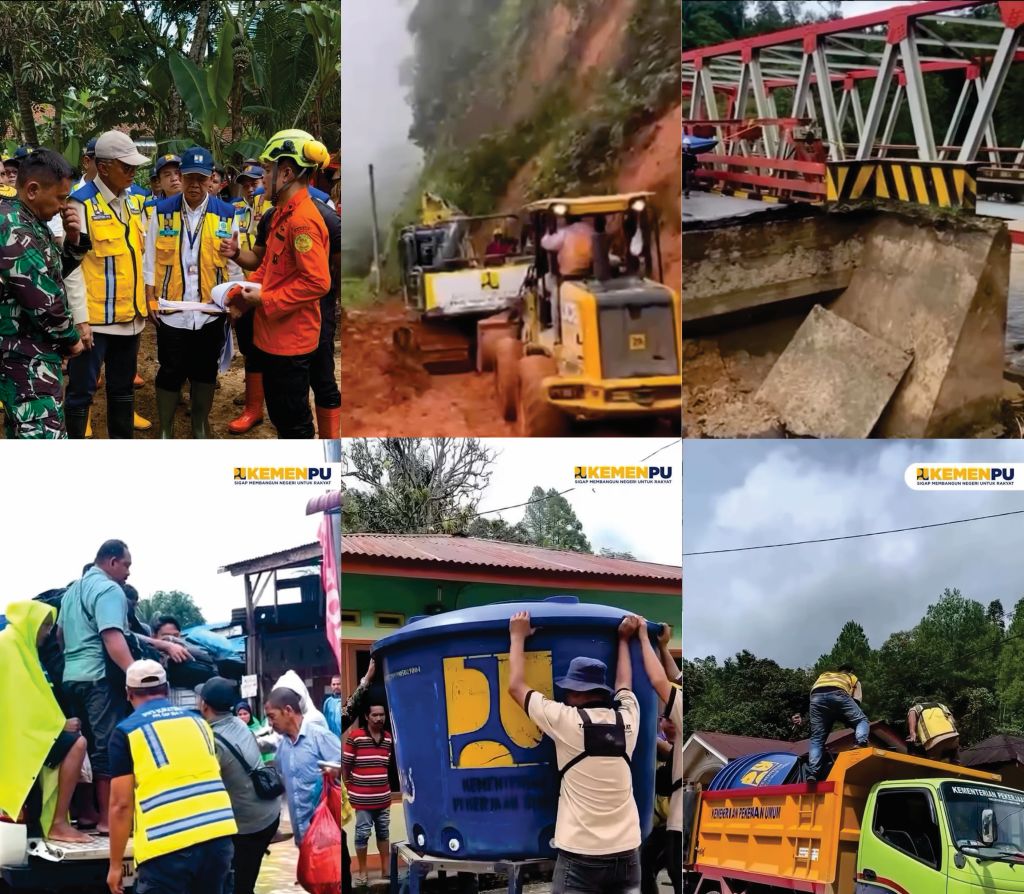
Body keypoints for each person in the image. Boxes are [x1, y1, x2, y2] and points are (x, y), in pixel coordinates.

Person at [58, 539, 191, 834]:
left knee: (85, 746)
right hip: (97, 678)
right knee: (108, 747)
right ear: (112, 561)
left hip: (72, 677)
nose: (129, 572)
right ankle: (109, 819)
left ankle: (88, 813)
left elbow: (60, 637)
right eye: (127, 565)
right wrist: (137, 675)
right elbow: (113, 637)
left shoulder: (71, 593)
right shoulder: (109, 590)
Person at [507, 612, 642, 894]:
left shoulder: (566, 721)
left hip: (581, 855)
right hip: (628, 853)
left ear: (578, 693)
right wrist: (623, 640)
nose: (566, 695)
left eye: (569, 690)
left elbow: (516, 687)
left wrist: (517, 636)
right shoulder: (629, 719)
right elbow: (625, 684)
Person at [221, 129, 331, 438]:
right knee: (283, 416)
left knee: (293, 424)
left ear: (286, 173)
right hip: (273, 336)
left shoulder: (302, 221)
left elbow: (317, 282)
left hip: (290, 342)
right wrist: (244, 294)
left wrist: (265, 299)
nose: (261, 176)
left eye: (267, 170)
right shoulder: (282, 214)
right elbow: (270, 267)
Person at [106, 660, 237, 894]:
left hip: (166, 846)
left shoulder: (126, 732)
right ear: (166, 689)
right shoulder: (200, 723)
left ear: (128, 694)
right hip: (218, 837)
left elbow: (121, 805)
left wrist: (116, 865)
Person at [144, 146, 238, 438]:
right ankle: (166, 428)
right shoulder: (162, 212)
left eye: (201, 179)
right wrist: (150, 299)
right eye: (188, 178)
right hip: (173, 309)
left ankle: (199, 423)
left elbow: (234, 263)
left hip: (211, 310)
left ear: (212, 179)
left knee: (204, 370)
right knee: (170, 370)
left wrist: (234, 299)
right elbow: (149, 260)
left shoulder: (226, 214)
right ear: (180, 179)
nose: (194, 185)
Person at [64, 131, 153, 439]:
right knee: (81, 392)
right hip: (96, 322)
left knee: (123, 390)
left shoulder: (132, 202)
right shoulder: (81, 204)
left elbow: (139, 255)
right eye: (125, 166)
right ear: (103, 167)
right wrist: (80, 319)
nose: (133, 172)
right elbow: (72, 266)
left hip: (130, 319)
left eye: (133, 167)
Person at [0, 149, 86, 437]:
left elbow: (52, 272)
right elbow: (43, 300)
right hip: (24, 358)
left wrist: (74, 243)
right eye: (61, 198)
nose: (64, 206)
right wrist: (70, 339)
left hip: (30, 354)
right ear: (33, 190)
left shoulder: (30, 222)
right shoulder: (13, 226)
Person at [0, 600, 92, 843]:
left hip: (31, 730)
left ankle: (58, 821)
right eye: (45, 626)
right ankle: (58, 823)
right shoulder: (7, 646)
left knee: (76, 742)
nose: (48, 632)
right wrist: (58, 725)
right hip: (16, 734)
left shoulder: (24, 647)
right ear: (29, 622)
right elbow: (17, 699)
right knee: (77, 744)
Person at [197, 677, 280, 894]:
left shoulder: (212, 741)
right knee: (245, 877)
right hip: (270, 813)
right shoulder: (239, 724)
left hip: (249, 825)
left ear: (204, 705)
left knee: (239, 884)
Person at [635, 619, 683, 894]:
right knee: (647, 863)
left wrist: (643, 637)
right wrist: (663, 646)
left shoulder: (682, 707)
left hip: (677, 822)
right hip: (674, 821)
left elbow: (659, 680)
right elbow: (675, 677)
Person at [264, 686, 341, 847]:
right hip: (302, 840)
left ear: (288, 710)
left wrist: (336, 771)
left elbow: (346, 767)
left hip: (328, 838)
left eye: (272, 717)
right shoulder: (283, 748)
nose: (271, 724)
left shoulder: (319, 737)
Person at [342, 700, 393, 884]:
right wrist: (350, 786)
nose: (379, 718)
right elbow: (346, 766)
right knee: (362, 834)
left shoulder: (388, 738)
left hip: (384, 797)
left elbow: (385, 766)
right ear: (366, 717)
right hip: (362, 800)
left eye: (382, 714)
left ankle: (385, 870)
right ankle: (363, 872)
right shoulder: (355, 737)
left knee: (384, 833)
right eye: (375, 715)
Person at [792, 665, 869, 783]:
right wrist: (849, 721)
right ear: (851, 671)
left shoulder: (825, 675)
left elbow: (813, 695)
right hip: (838, 694)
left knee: (817, 739)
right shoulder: (852, 677)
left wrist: (800, 714)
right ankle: (861, 743)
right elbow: (856, 701)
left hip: (816, 697)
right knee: (862, 720)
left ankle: (813, 773)